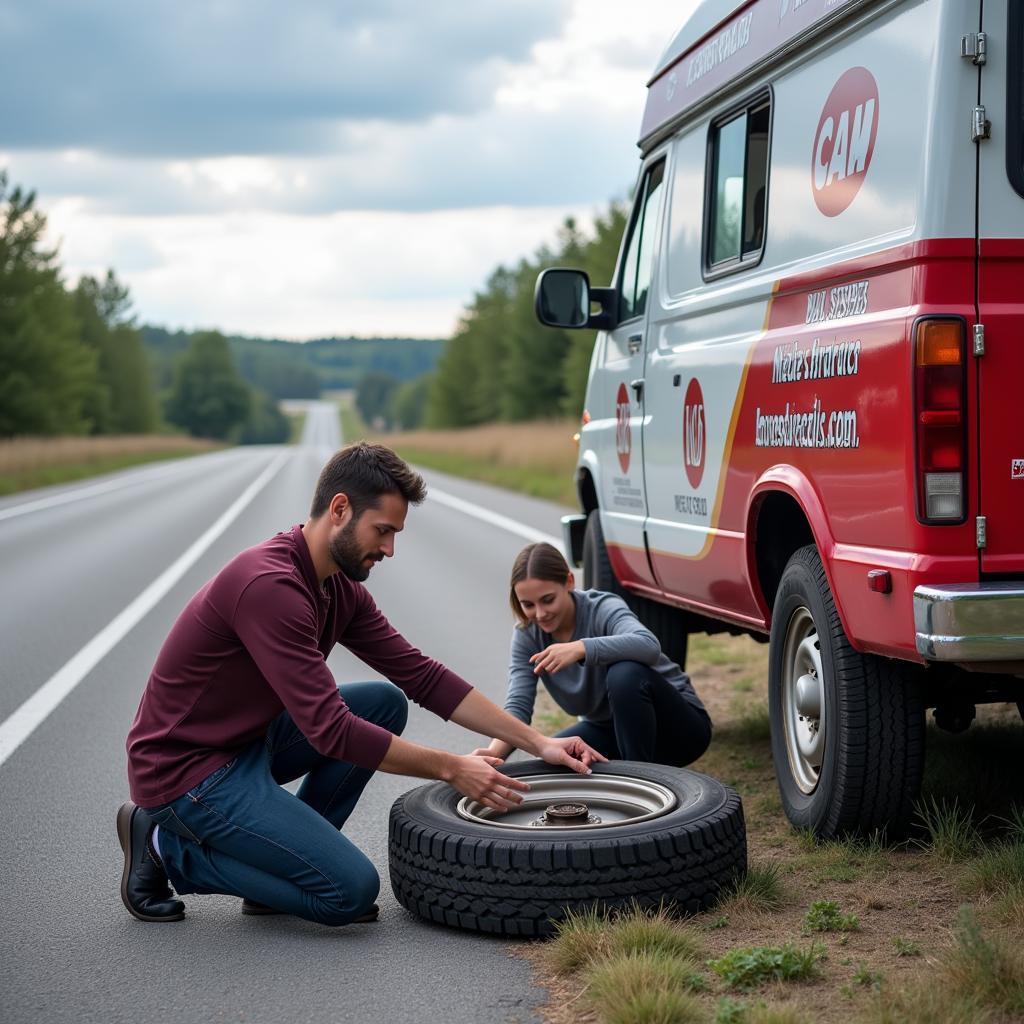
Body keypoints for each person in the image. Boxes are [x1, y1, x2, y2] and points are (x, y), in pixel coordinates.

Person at [119, 443, 604, 927]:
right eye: (383, 530)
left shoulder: (338, 588)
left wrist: (541, 741)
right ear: (340, 509)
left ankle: (282, 867)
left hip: (247, 742)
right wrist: (451, 768)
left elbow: (420, 675)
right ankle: (163, 848)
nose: (389, 549)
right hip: (188, 770)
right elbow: (330, 731)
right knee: (347, 893)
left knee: (382, 703)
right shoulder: (270, 587)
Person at [473, 542, 711, 767]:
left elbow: (648, 645)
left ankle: (640, 782)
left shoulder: (602, 607)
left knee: (624, 673)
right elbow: (518, 706)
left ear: (568, 581)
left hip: (679, 731)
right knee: (553, 761)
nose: (540, 613)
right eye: (528, 604)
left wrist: (580, 648)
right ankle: (631, 774)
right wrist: (494, 754)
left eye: (548, 600)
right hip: (609, 732)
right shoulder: (527, 635)